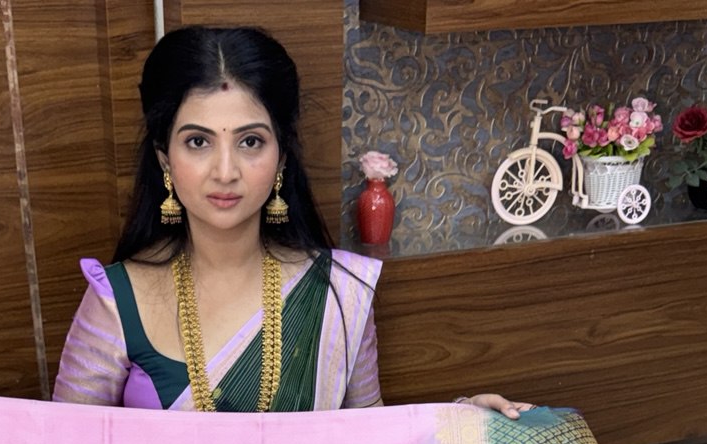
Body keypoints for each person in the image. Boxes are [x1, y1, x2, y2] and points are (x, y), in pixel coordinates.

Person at [52, 25, 532, 417]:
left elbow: (370, 443)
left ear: (281, 157)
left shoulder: (338, 293)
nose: (225, 171)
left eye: (251, 142)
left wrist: (462, 422)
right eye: (198, 142)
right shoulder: (116, 302)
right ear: (165, 160)